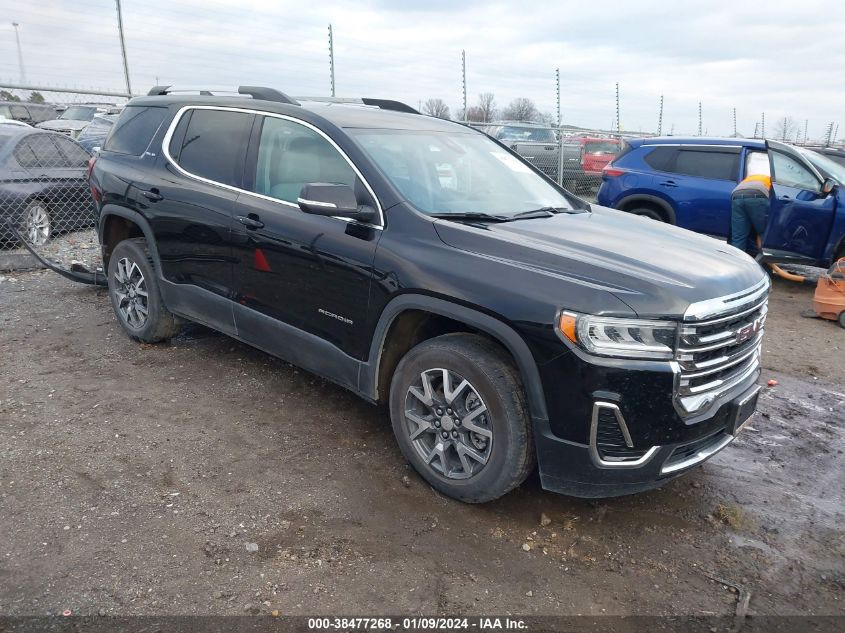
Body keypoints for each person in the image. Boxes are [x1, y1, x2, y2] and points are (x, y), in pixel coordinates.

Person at [730, 173, 771, 255]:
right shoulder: (771, 180)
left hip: (736, 195)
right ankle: (765, 260)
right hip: (757, 195)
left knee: (738, 237)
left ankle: (736, 260)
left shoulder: (752, 178)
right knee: (764, 232)